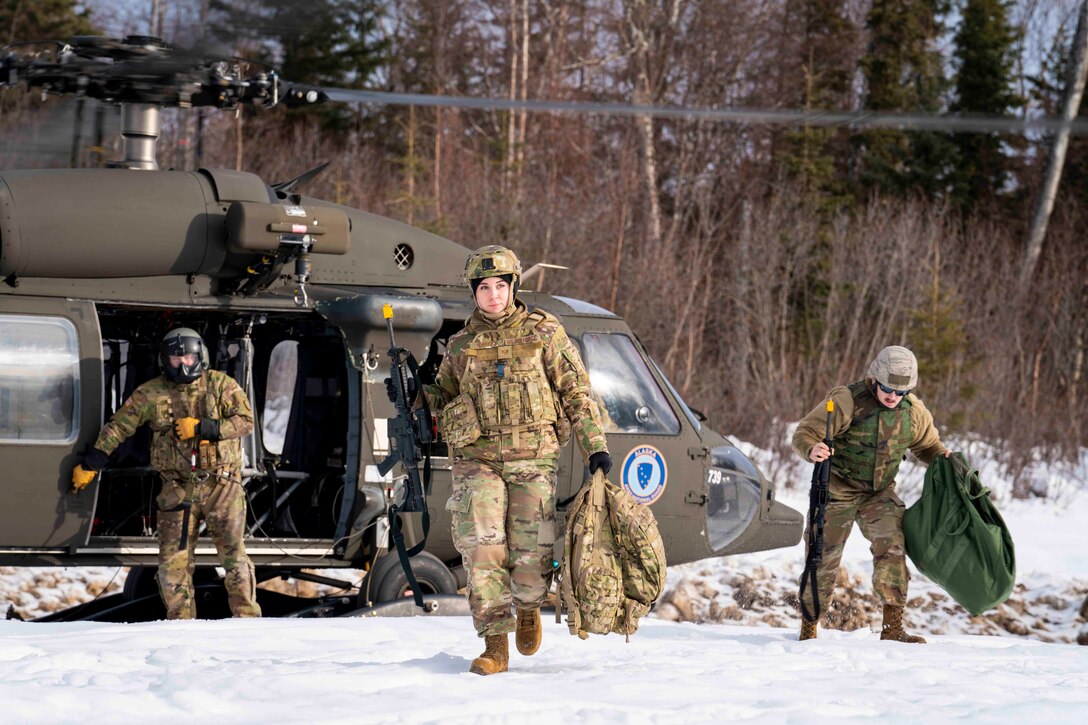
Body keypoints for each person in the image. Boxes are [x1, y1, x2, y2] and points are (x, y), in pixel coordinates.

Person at [399, 244, 611, 675]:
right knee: (481, 547)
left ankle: (529, 606)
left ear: (513, 287)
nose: (493, 295)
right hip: (478, 461)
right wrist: (418, 391)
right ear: (473, 293)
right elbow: (445, 397)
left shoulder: (544, 332)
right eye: (484, 288)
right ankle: (495, 643)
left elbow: (576, 393)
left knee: (530, 556)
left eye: (501, 286)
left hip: (534, 459)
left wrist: (596, 448)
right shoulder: (460, 344)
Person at [71, 327, 261, 620]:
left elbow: (246, 421)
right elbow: (119, 426)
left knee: (234, 556)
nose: (182, 364)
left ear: (200, 356)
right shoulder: (150, 393)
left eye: (187, 357)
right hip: (176, 487)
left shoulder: (222, 385)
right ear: (164, 360)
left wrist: (205, 428)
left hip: (222, 485)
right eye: (175, 359)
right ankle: (180, 623)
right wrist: (92, 462)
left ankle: (247, 621)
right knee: (173, 562)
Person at [792, 345, 949, 644]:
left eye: (900, 392)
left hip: (879, 493)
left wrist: (945, 459)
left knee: (893, 545)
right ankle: (809, 628)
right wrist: (812, 449)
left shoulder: (913, 411)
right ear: (876, 379)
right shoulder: (846, 400)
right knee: (820, 554)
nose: (893, 396)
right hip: (837, 488)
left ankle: (893, 629)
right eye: (888, 388)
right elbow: (803, 433)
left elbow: (928, 447)